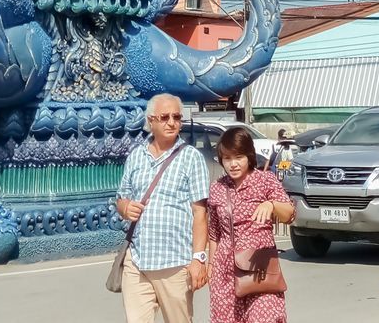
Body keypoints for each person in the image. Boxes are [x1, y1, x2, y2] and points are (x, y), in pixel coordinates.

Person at [116, 94, 210, 323]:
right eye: (165, 117)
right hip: (137, 261)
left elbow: (200, 212)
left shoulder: (191, 158)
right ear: (151, 121)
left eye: (177, 117)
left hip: (175, 263)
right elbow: (120, 198)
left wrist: (199, 258)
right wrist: (125, 208)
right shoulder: (136, 156)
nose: (172, 122)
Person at [208, 126, 296, 323]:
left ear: (249, 155)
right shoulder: (217, 188)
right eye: (227, 159)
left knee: (264, 317)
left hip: (260, 268)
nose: (233, 164)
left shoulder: (265, 181)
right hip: (226, 272)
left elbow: (289, 214)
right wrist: (212, 269)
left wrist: (271, 204)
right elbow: (214, 234)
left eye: (238, 157)